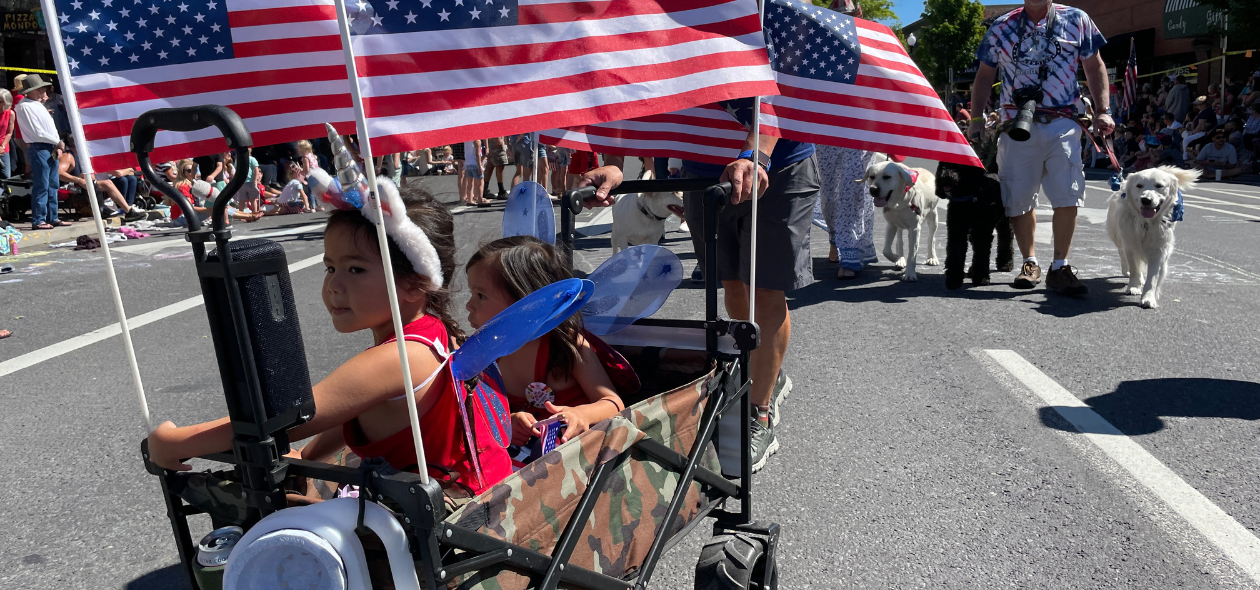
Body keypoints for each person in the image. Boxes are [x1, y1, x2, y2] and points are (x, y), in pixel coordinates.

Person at [146, 183, 513, 499]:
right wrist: (308, 455)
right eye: (331, 267)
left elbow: (284, 420)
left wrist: (176, 443)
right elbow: (355, 410)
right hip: (453, 492)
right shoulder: (430, 329)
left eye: (355, 269)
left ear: (416, 284)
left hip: (449, 514)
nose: (334, 285)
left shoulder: (401, 357)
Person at [968, 1, 1114, 295]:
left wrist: (1103, 110)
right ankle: (1030, 262)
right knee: (1018, 197)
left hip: (1062, 120)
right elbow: (984, 76)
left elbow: (1094, 65)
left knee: (1068, 193)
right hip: (1016, 123)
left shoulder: (1076, 19)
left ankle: (1060, 266)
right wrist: (974, 119)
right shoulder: (1001, 26)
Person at [465, 236, 626, 445]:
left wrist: (582, 414)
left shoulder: (566, 345)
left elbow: (614, 403)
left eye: (480, 295)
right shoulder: (481, 354)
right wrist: (506, 423)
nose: (469, 305)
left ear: (527, 302)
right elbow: (476, 416)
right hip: (523, 466)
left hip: (579, 454)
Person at [14, 75, 70, 230]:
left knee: (53, 184)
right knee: (42, 185)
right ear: (33, 90)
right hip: (39, 147)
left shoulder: (34, 105)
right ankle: (39, 220)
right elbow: (37, 131)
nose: (43, 90)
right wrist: (57, 142)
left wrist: (57, 144)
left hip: (48, 146)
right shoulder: (25, 106)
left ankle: (53, 217)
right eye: (40, 88)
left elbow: (46, 129)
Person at [817, 146, 879, 279]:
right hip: (826, 135)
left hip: (860, 134)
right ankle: (835, 240)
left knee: (853, 193)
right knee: (828, 195)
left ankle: (850, 256)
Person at [58, 138, 146, 223]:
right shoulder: (68, 156)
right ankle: (124, 210)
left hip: (85, 185)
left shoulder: (80, 156)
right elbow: (59, 173)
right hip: (72, 188)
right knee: (108, 183)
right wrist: (77, 179)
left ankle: (126, 209)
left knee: (111, 182)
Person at [0, 89, 13, 178]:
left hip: (3, 149)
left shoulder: (10, 113)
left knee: (6, 176)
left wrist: (3, 146)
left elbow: (9, 133)